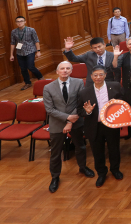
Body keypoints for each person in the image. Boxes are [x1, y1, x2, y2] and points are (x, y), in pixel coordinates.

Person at [43, 61, 94, 193]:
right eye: (62, 68)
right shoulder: (48, 87)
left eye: (67, 68)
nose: (65, 70)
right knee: (55, 152)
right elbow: (49, 109)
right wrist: (67, 119)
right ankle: (55, 177)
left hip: (75, 120)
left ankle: (83, 167)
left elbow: (80, 103)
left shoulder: (78, 83)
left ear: (71, 71)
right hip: (57, 123)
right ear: (57, 71)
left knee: (80, 147)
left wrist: (70, 121)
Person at [78, 66, 124, 187]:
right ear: (91, 77)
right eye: (95, 75)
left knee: (114, 149)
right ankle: (101, 173)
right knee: (97, 151)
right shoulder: (84, 92)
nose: (98, 77)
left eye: (100, 75)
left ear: (105, 75)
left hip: (111, 124)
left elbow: (123, 103)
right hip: (94, 126)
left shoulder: (115, 86)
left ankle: (115, 169)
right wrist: (87, 112)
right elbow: (79, 110)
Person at [10, 15, 43, 90]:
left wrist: (38, 51)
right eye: (18, 21)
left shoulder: (31, 30)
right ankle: (27, 83)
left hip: (30, 50)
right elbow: (12, 43)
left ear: (25, 22)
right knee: (23, 68)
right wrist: (11, 55)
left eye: (21, 21)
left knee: (30, 66)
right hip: (19, 52)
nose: (19, 23)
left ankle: (40, 78)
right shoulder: (14, 32)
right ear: (16, 23)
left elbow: (36, 41)